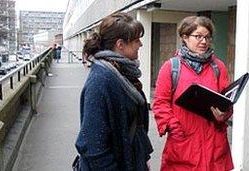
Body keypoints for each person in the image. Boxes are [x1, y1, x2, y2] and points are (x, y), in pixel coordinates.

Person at [152, 16, 234, 171]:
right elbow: (160, 103)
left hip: (214, 143)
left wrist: (224, 113)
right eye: (198, 37)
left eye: (207, 37)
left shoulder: (219, 67)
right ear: (184, 37)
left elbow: (226, 99)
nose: (204, 41)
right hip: (183, 145)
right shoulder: (171, 68)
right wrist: (174, 128)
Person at [75, 12, 153, 171]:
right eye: (137, 40)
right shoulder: (101, 80)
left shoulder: (121, 73)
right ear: (120, 44)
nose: (141, 45)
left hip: (131, 160)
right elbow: (92, 144)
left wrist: (141, 159)